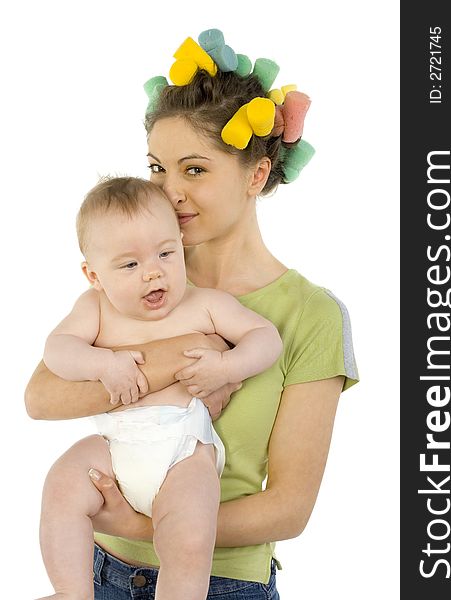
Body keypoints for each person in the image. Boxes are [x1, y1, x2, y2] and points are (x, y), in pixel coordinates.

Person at [25, 29, 359, 600]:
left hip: (222, 582)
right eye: (157, 167)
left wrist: (142, 525)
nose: (168, 191)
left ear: (256, 175)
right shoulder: (137, 276)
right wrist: (173, 359)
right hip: (98, 570)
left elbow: (291, 508)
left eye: (194, 170)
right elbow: (43, 399)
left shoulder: (310, 314)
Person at [36, 175, 282, 600]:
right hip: (117, 443)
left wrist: (226, 365)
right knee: (61, 484)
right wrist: (102, 362)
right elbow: (56, 350)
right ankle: (71, 591)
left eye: (167, 253)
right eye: (129, 265)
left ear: (180, 244)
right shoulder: (95, 307)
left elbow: (266, 338)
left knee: (189, 534)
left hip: (183, 449)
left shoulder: (202, 303)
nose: (153, 272)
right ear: (94, 275)